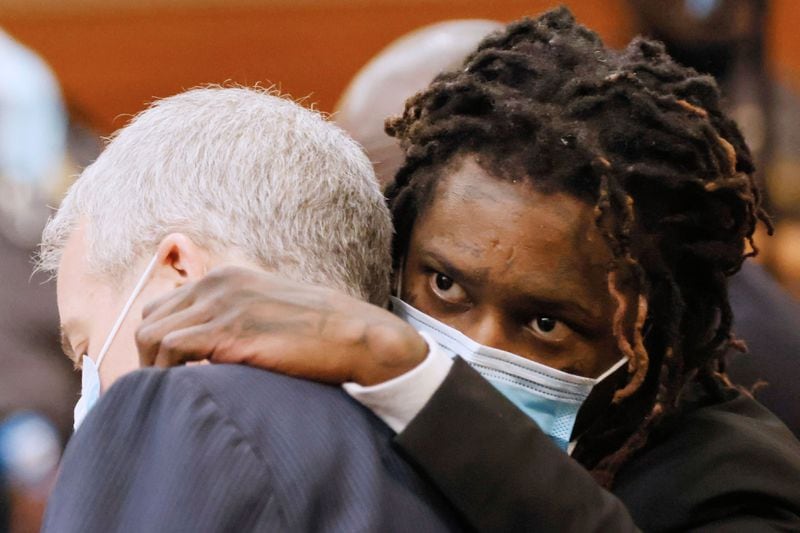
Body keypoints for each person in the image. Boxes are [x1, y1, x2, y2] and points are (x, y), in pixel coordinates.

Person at [136, 10, 800, 531]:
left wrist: (414, 376)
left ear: (649, 342)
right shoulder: (336, 403)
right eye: (445, 285)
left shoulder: (739, 481)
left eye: (545, 322)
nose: (474, 348)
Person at [38, 87, 463, 532]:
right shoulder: (455, 472)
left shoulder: (189, 413)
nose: (88, 396)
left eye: (86, 348)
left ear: (178, 275)